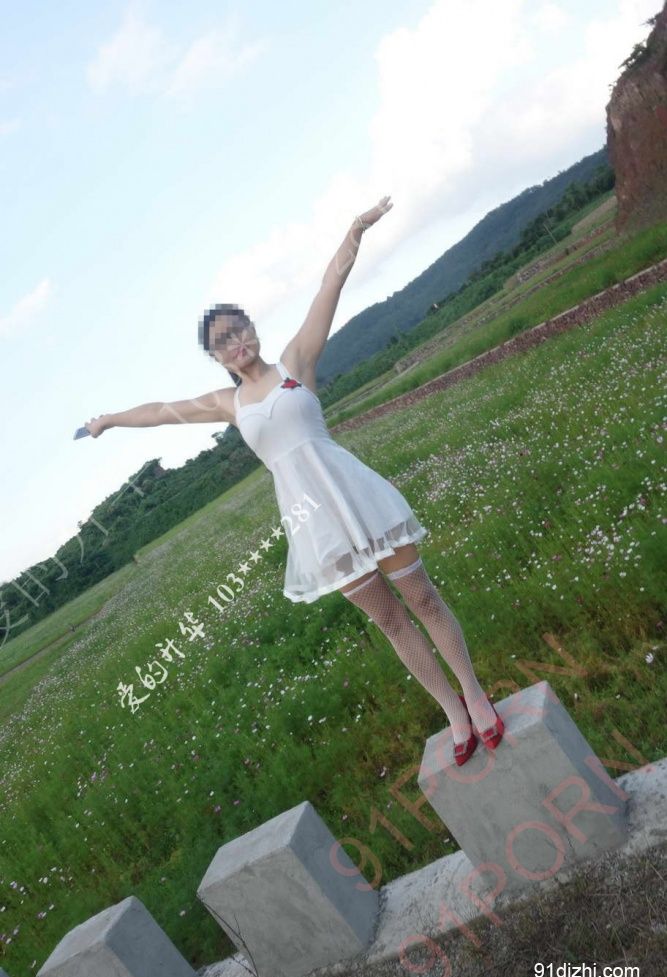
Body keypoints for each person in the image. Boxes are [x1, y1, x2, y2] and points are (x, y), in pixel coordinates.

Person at [83, 197, 503, 763]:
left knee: (423, 598)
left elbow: (329, 288)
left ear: (252, 329)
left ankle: (474, 694)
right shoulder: (228, 403)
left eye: (239, 330)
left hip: (357, 495)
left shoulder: (294, 363)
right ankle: (452, 711)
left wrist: (355, 230)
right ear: (217, 358)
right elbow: (160, 411)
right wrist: (109, 420)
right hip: (316, 524)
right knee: (391, 622)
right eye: (223, 342)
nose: (236, 343)